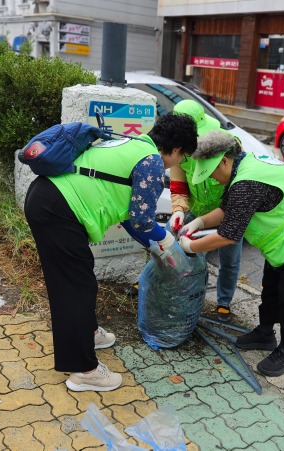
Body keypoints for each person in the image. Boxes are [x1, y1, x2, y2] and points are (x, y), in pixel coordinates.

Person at [24, 113, 197, 392]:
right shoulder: (152, 162)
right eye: (183, 156)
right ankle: (84, 370)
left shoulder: (132, 144)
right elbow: (141, 220)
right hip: (59, 209)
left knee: (82, 281)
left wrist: (153, 245)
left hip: (49, 199)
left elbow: (128, 216)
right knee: (73, 288)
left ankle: (88, 333)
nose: (179, 162)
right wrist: (165, 239)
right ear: (176, 149)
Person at [178, 131, 284, 377]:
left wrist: (190, 246)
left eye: (211, 173)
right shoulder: (244, 165)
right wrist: (198, 222)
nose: (213, 180)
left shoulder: (246, 182)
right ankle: (265, 333)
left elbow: (228, 235)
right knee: (271, 287)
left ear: (224, 161)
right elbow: (227, 209)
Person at [169, 99, 243, 322]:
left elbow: (239, 182)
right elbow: (178, 184)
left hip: (227, 210)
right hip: (197, 210)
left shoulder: (227, 144)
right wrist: (178, 210)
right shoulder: (179, 150)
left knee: (230, 258)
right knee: (181, 248)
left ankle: (224, 302)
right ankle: (191, 294)